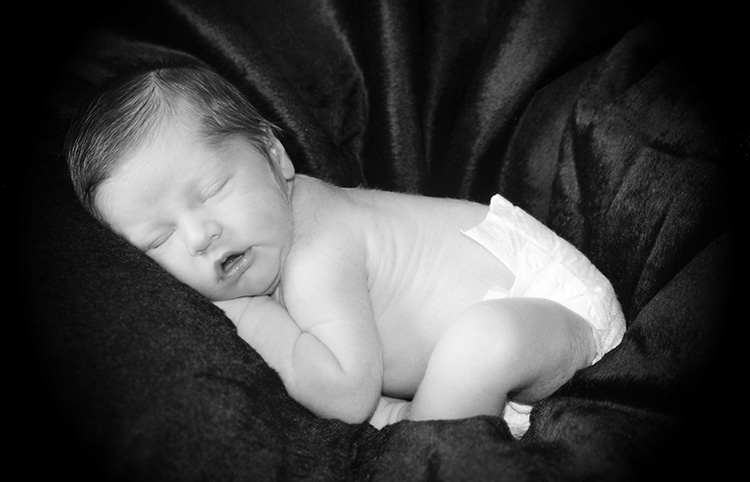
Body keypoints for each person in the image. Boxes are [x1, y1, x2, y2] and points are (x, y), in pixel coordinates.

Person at [66, 59, 625, 437]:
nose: (198, 235)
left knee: (484, 340)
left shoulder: (315, 251)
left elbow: (347, 395)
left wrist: (252, 318)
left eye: (213, 190)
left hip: (558, 319)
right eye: (159, 238)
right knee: (472, 347)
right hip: (522, 361)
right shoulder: (279, 227)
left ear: (277, 159)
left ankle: (420, 445)